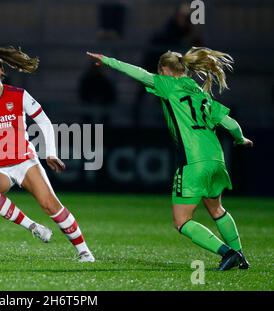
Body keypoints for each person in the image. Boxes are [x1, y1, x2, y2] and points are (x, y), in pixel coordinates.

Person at [87, 47, 252, 270]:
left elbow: (138, 73)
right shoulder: (200, 93)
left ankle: (228, 253)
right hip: (216, 158)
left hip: (193, 160)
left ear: (165, 70)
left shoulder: (168, 85)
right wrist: (240, 139)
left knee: (182, 221)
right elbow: (230, 123)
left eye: (159, 71)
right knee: (216, 209)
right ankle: (241, 255)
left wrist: (108, 61)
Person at [0, 47, 95, 262]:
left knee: (50, 205)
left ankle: (84, 251)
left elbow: (44, 121)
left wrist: (50, 153)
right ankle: (33, 226)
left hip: (24, 160)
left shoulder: (18, 95)